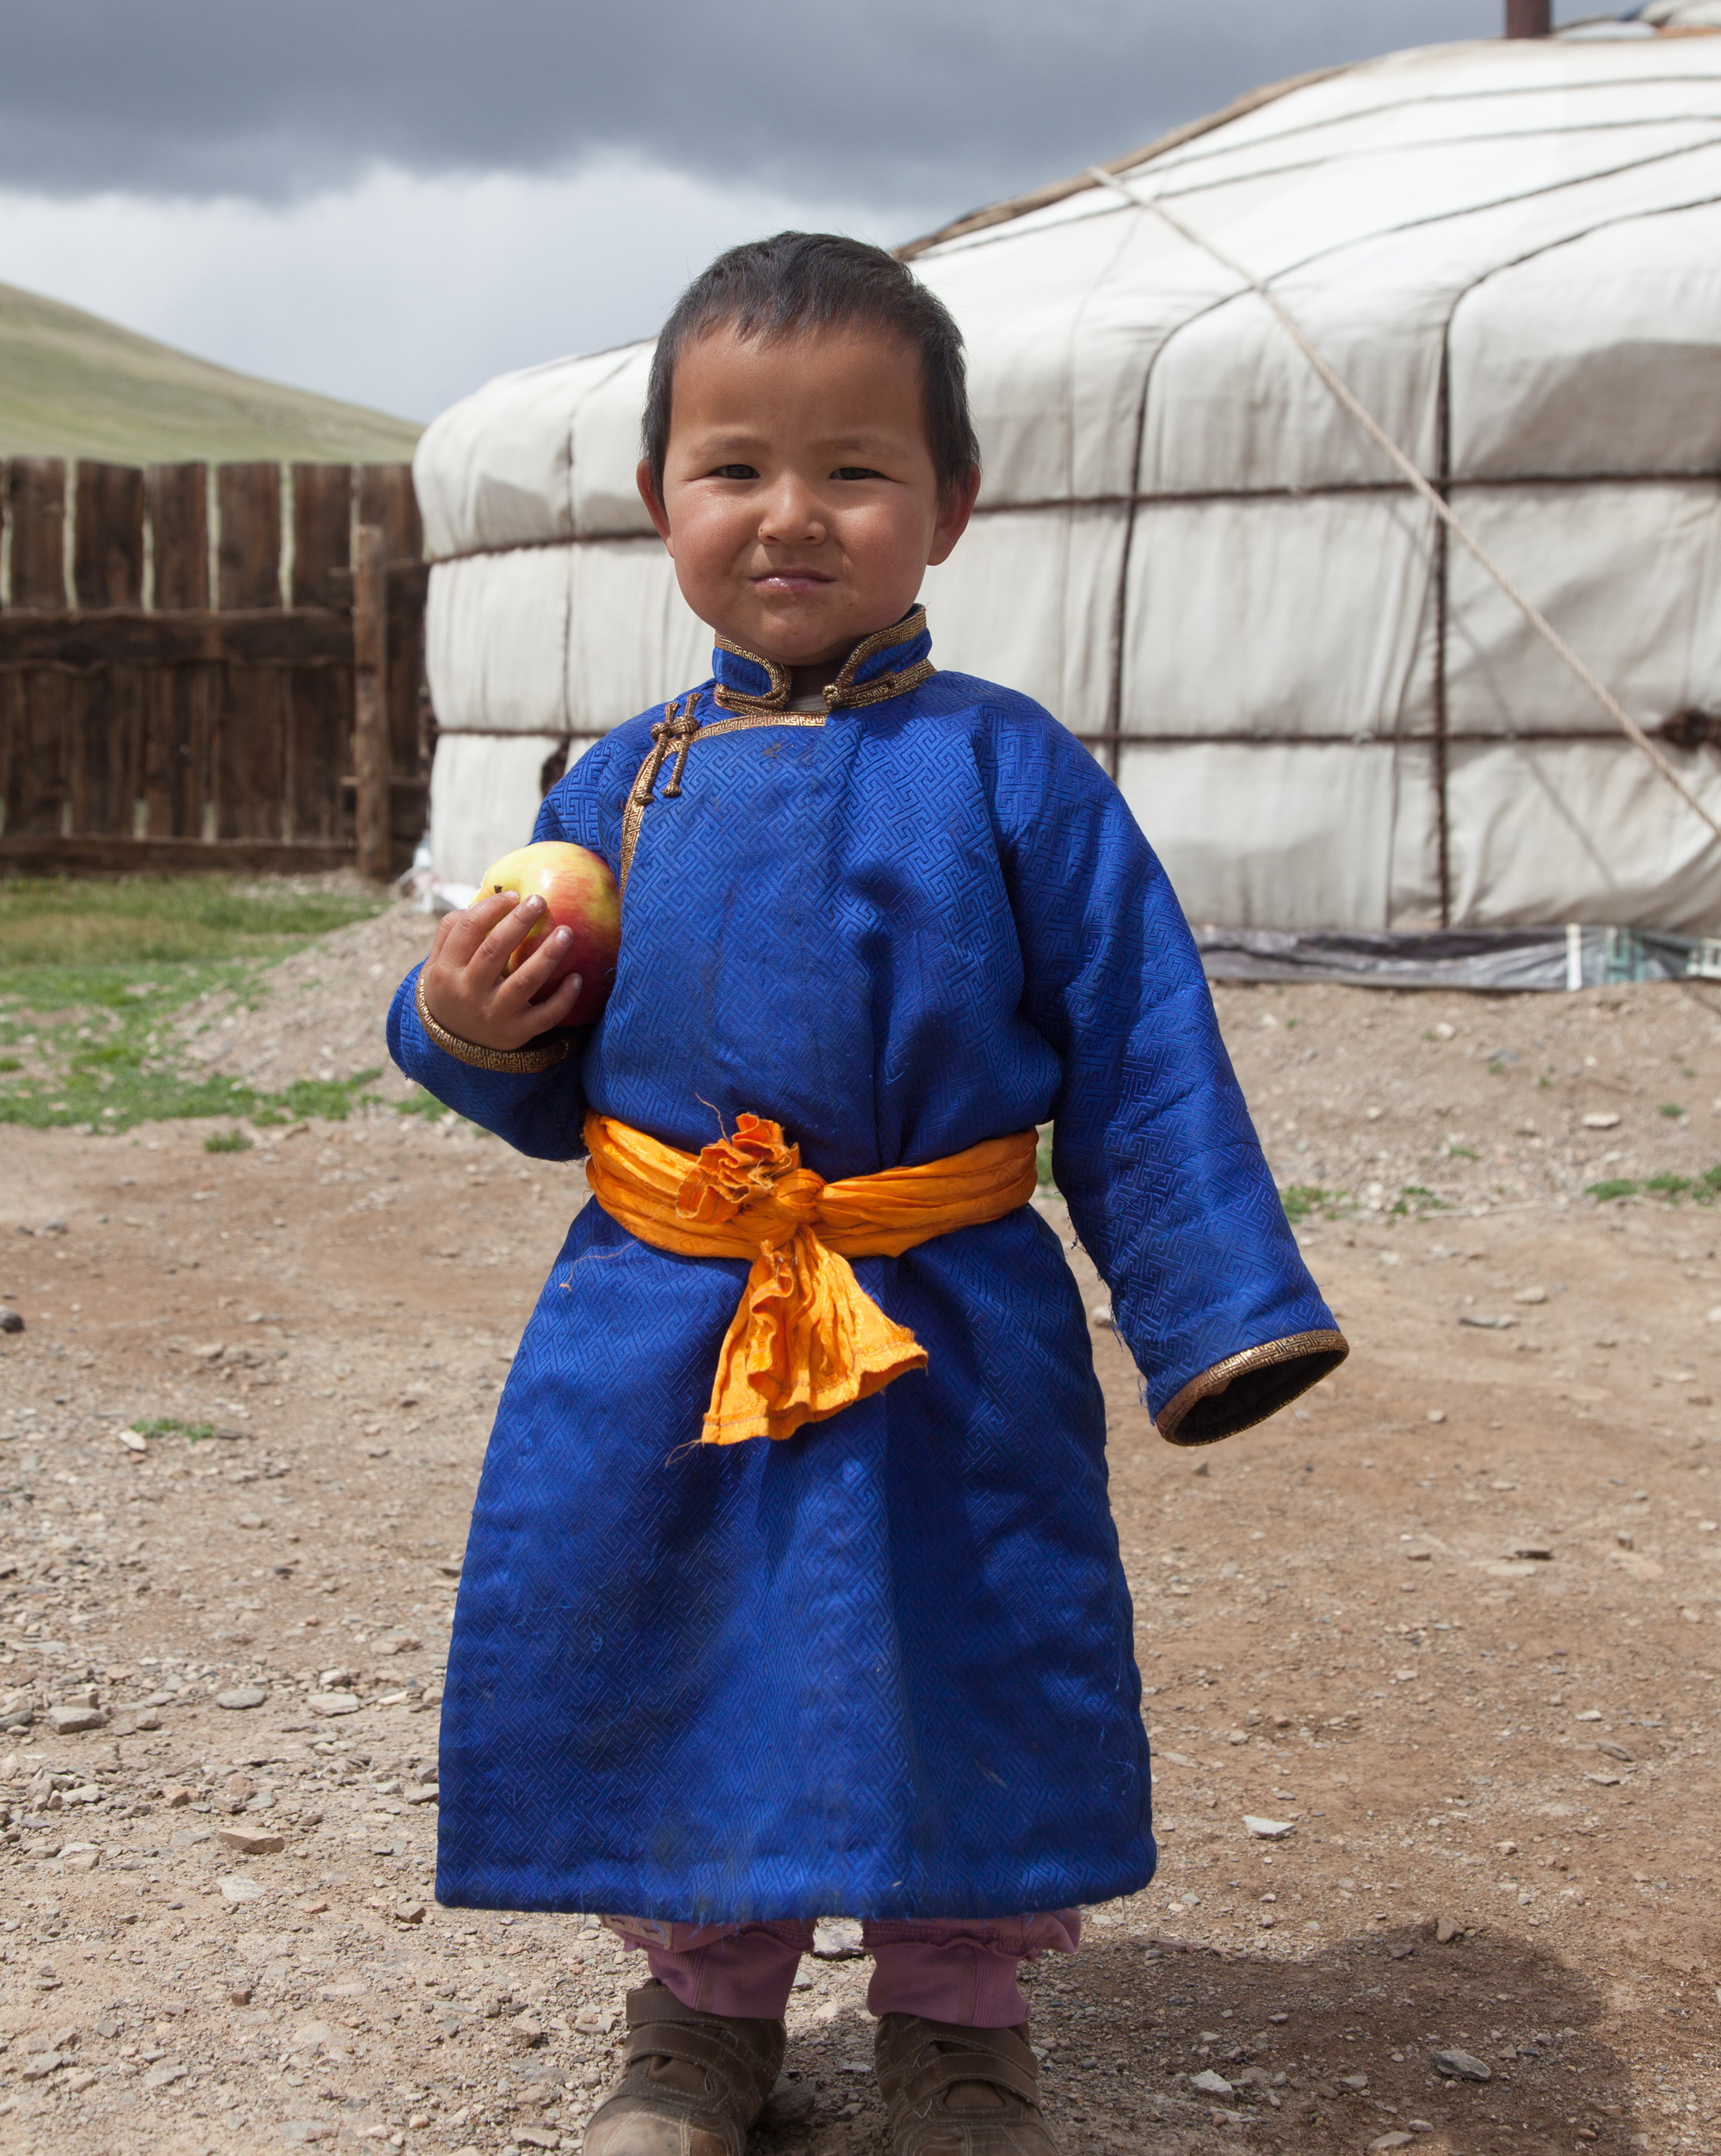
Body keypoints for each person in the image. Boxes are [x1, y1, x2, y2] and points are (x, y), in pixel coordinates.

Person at [389, 231, 1346, 2156]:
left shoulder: (1010, 772)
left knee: (959, 1636)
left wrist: (1213, 1311)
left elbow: (1138, 1041)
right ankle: (699, 2021)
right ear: (657, 497)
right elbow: (546, 1065)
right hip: (668, 1316)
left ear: (950, 507)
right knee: (687, 1639)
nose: (789, 514)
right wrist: (463, 1015)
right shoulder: (618, 781)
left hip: (942, 1320)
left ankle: (957, 2027)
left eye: (854, 470)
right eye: (735, 467)